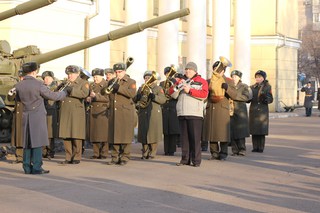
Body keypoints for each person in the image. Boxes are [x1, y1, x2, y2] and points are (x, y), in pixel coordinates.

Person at [15, 62, 67, 174]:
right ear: (34, 72)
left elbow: (18, 99)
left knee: (27, 142)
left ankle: (26, 167)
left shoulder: (19, 85)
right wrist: (64, 93)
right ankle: (37, 167)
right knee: (37, 141)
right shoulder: (39, 85)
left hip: (26, 114)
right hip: (37, 116)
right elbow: (53, 96)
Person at [169, 62, 208, 167]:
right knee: (184, 139)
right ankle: (185, 159)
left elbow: (204, 95)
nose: (187, 71)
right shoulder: (182, 80)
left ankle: (196, 160)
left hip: (194, 113)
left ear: (195, 71)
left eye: (190, 69)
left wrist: (190, 90)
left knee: (195, 138)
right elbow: (172, 94)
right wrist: (177, 86)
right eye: (186, 69)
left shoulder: (201, 81)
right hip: (182, 112)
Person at [202, 57, 237, 161]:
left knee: (223, 134)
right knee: (212, 133)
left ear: (223, 71)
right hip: (211, 108)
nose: (215, 71)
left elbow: (234, 95)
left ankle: (223, 153)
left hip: (222, 109)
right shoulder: (209, 81)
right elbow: (205, 95)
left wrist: (227, 88)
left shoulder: (228, 81)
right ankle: (214, 153)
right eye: (214, 69)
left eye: (217, 69)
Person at [58, 65, 90, 164]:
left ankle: (77, 156)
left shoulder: (83, 83)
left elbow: (84, 94)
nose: (69, 76)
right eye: (68, 74)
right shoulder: (65, 83)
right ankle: (68, 156)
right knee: (66, 135)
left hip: (76, 112)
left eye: (71, 74)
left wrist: (71, 90)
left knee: (76, 135)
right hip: (65, 111)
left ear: (77, 74)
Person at [106, 62, 136, 166]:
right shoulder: (112, 81)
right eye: (116, 72)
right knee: (115, 135)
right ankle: (114, 157)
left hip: (125, 112)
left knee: (125, 135)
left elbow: (132, 93)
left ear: (124, 71)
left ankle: (124, 157)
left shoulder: (131, 81)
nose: (118, 74)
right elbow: (104, 93)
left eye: (120, 72)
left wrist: (118, 88)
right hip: (114, 111)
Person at [134, 71, 166, 159]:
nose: (147, 79)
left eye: (149, 78)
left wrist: (154, 97)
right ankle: (145, 152)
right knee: (143, 132)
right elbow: (135, 99)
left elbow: (163, 100)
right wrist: (138, 97)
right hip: (143, 112)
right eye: (146, 78)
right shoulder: (141, 88)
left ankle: (152, 152)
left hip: (153, 113)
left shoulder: (158, 88)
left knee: (153, 133)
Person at [86, 68, 110, 159]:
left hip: (102, 111)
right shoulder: (91, 85)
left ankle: (104, 153)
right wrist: (88, 98)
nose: (95, 79)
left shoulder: (106, 85)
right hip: (92, 111)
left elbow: (107, 98)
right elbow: (88, 95)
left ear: (101, 76)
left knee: (103, 134)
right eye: (94, 77)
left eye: (96, 77)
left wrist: (96, 96)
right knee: (94, 133)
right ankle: (96, 153)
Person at [248, 70, 273, 153]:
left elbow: (270, 99)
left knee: (261, 130)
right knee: (254, 130)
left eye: (259, 77)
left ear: (263, 78)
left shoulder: (267, 87)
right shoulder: (252, 87)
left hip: (262, 111)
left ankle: (261, 147)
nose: (258, 79)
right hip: (254, 110)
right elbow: (249, 98)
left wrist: (266, 99)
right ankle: (255, 147)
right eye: (257, 77)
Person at [160, 66, 180, 156]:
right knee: (166, 131)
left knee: (172, 130)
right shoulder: (162, 83)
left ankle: (171, 150)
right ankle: (166, 150)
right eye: (167, 73)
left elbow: (178, 95)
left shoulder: (176, 82)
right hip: (165, 107)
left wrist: (173, 86)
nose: (168, 75)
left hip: (173, 107)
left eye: (170, 73)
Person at [229, 70, 251, 156]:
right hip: (231, 111)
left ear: (239, 78)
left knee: (240, 131)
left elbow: (246, 97)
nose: (234, 78)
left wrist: (234, 96)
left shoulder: (244, 86)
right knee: (232, 131)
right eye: (233, 76)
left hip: (240, 111)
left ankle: (242, 149)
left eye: (235, 77)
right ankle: (235, 150)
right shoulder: (229, 86)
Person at [41, 71, 60, 159]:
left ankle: (50, 151)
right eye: (44, 78)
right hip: (42, 111)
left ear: (52, 78)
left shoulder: (56, 88)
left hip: (51, 111)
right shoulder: (42, 87)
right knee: (42, 132)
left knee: (50, 133)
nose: (46, 79)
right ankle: (43, 151)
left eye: (48, 78)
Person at [7, 70, 25, 164]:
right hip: (18, 114)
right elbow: (10, 98)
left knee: (26, 136)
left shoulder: (28, 87)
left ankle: (26, 157)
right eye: (20, 77)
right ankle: (19, 157)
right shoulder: (16, 86)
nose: (21, 79)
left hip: (26, 113)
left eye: (23, 77)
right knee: (18, 136)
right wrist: (11, 92)